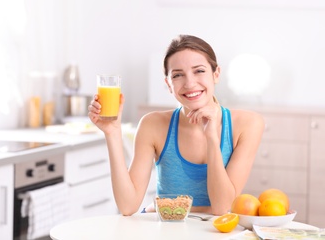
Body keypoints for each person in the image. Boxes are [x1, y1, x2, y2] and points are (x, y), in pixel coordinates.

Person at [88, 34, 264, 216]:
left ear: (216, 74)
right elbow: (127, 206)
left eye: (199, 71)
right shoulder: (152, 125)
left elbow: (221, 208)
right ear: (169, 84)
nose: (189, 83)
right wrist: (113, 132)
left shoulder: (248, 124)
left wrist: (211, 137)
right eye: (178, 75)